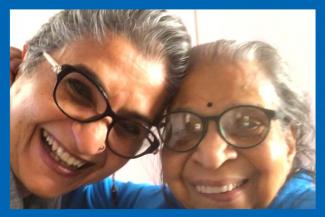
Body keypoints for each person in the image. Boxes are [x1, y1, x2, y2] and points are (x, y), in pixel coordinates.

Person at [62, 40, 315, 209]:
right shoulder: (157, 204)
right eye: (184, 127)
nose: (212, 158)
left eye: (247, 123)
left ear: (289, 141)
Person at [10, 9, 191, 208]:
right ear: (21, 64)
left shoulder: (85, 197)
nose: (89, 144)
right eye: (79, 91)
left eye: (128, 127)